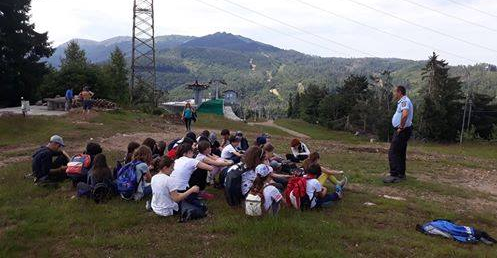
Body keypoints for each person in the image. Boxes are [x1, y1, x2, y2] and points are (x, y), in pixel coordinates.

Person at [383, 85, 414, 184]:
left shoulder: (404, 101)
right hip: (405, 130)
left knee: (393, 152)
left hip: (402, 130)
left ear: (400, 92)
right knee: (400, 152)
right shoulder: (403, 101)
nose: (394, 94)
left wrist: (400, 127)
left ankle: (394, 175)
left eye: (395, 92)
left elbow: (405, 114)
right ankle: (401, 174)